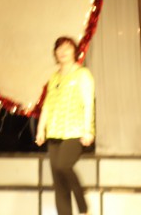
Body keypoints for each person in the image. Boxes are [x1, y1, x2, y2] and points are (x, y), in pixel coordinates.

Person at [36, 36, 95, 215]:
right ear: (55, 53)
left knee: (63, 165)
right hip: (54, 132)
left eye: (67, 47)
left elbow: (88, 103)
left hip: (75, 131)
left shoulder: (82, 74)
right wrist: (40, 129)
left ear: (74, 51)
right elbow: (47, 105)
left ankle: (84, 208)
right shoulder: (54, 77)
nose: (63, 51)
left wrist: (88, 130)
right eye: (59, 48)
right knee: (58, 182)